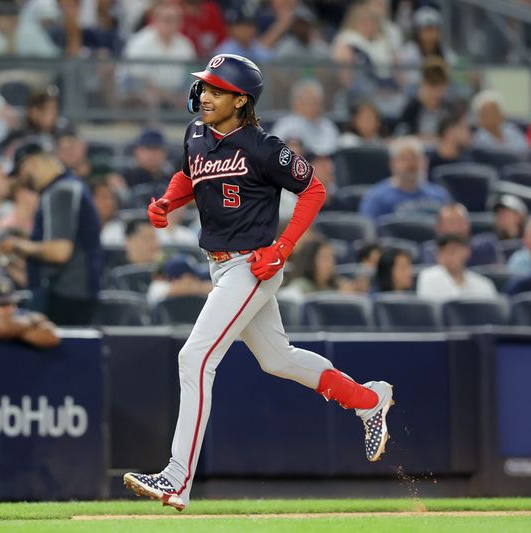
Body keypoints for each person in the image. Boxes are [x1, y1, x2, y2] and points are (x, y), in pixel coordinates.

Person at [122, 54, 394, 511]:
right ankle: (368, 400)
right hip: (220, 264)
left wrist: (283, 247)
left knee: (194, 359)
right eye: (204, 87)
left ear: (240, 100)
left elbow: (314, 189)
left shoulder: (264, 147)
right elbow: (189, 174)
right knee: (277, 359)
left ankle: (176, 477)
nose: (205, 95)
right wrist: (169, 201)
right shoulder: (196, 135)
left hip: (252, 265)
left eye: (215, 89)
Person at [0, 140, 102, 326]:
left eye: (21, 172)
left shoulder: (61, 191)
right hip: (73, 293)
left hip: (66, 296)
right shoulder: (68, 186)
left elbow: (59, 251)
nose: (21, 179)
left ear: (32, 163)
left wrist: (15, 244)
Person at [359, 136, 450, 220]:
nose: (411, 164)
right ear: (392, 164)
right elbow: (369, 231)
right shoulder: (377, 198)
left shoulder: (440, 196)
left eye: (415, 158)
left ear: (425, 162)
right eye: (404, 158)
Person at [416, 234, 498, 301]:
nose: (447, 256)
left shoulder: (484, 284)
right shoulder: (428, 277)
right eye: (442, 252)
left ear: (467, 252)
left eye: (453, 251)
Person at [420, 203, 503, 267]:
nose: (457, 227)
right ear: (438, 228)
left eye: (461, 221)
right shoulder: (431, 251)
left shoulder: (485, 246)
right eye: (451, 222)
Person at [272, 79, 339, 157]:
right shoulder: (285, 126)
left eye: (317, 103)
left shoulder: (328, 126)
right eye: (309, 102)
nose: (315, 107)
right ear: (296, 104)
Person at [393, 57, 452, 140]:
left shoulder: (449, 110)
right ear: (424, 85)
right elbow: (400, 135)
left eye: (441, 88)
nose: (436, 93)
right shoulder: (412, 108)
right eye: (432, 87)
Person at [146, 254, 212, 306]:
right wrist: (194, 288)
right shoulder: (158, 287)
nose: (197, 281)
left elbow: (211, 288)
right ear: (175, 280)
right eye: (191, 277)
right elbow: (173, 290)